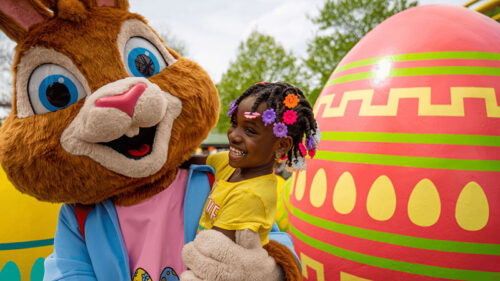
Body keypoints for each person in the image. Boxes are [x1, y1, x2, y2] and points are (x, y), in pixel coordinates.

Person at [188, 81, 321, 244]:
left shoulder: (251, 196)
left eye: (250, 131)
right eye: (234, 124)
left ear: (281, 144)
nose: (233, 136)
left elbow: (210, 251)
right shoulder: (229, 165)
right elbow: (185, 160)